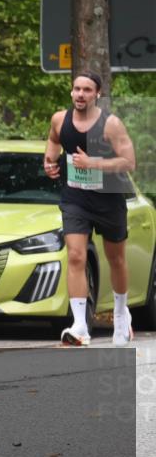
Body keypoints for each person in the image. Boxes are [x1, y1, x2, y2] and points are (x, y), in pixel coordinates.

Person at [44, 72, 137, 346]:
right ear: (71, 92)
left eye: (86, 90)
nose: (80, 94)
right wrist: (49, 162)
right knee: (75, 256)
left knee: (116, 259)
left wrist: (94, 163)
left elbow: (129, 162)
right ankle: (80, 325)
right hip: (75, 198)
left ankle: (121, 314)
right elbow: (53, 141)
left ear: (97, 94)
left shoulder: (111, 125)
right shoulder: (60, 119)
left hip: (109, 198)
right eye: (76, 89)